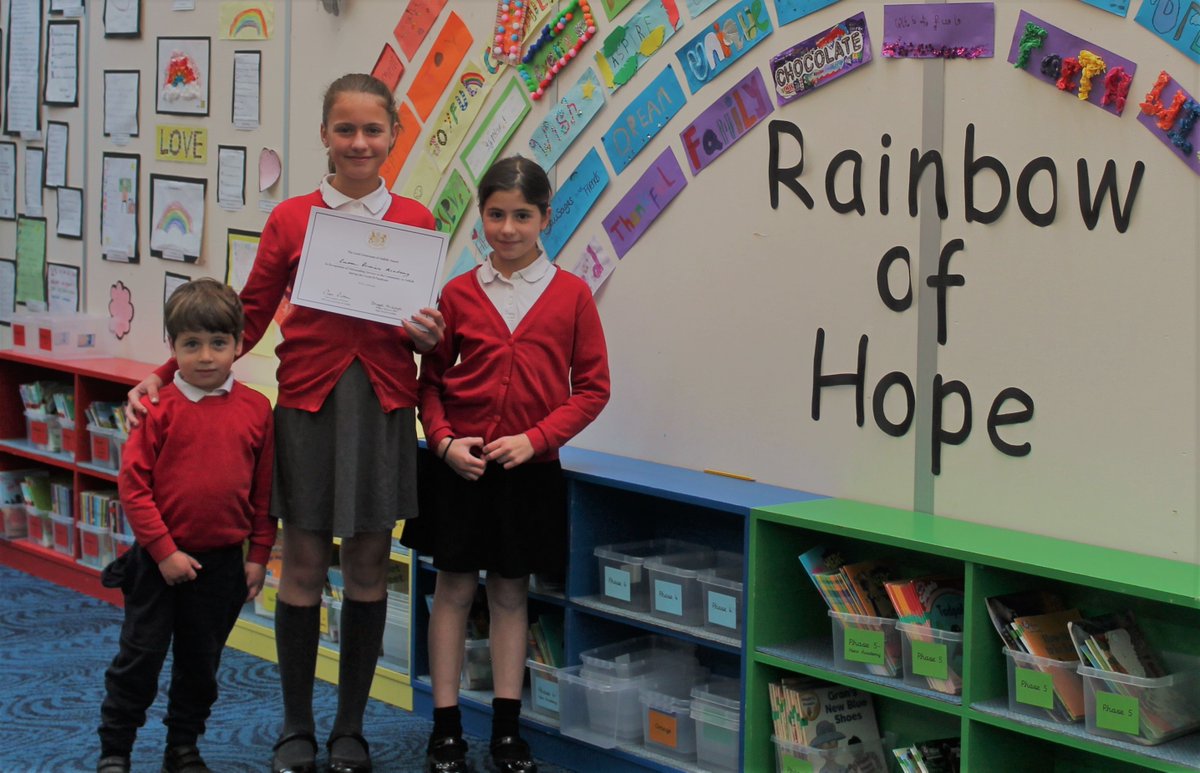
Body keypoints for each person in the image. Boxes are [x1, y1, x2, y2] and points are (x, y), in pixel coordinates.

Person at [125, 73, 444, 773]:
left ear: (394, 135)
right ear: (325, 136)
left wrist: (431, 336)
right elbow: (246, 315)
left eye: (373, 130)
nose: (359, 143)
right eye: (345, 129)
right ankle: (296, 725)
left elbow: (433, 337)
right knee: (300, 568)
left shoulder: (418, 221)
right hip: (307, 407)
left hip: (386, 407)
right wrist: (161, 370)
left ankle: (350, 729)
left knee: (366, 568)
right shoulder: (293, 219)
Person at [402, 155, 611, 773]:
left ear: (546, 218)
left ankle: (506, 732)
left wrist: (539, 438)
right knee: (453, 590)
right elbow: (430, 382)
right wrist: (442, 442)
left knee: (512, 594)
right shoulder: (458, 295)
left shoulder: (571, 296)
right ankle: (445, 730)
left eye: (522, 215)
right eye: (496, 214)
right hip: (459, 468)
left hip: (529, 470)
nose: (509, 228)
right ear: (481, 220)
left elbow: (593, 389)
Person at [97, 278, 275, 773]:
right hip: (157, 564)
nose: (205, 356)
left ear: (239, 344)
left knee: (202, 666)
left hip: (221, 565)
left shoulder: (258, 409)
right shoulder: (155, 409)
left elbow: (264, 494)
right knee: (140, 659)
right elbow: (134, 488)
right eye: (191, 344)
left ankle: (183, 746)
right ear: (172, 349)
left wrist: (258, 555)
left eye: (219, 343)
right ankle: (116, 748)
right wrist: (163, 552)